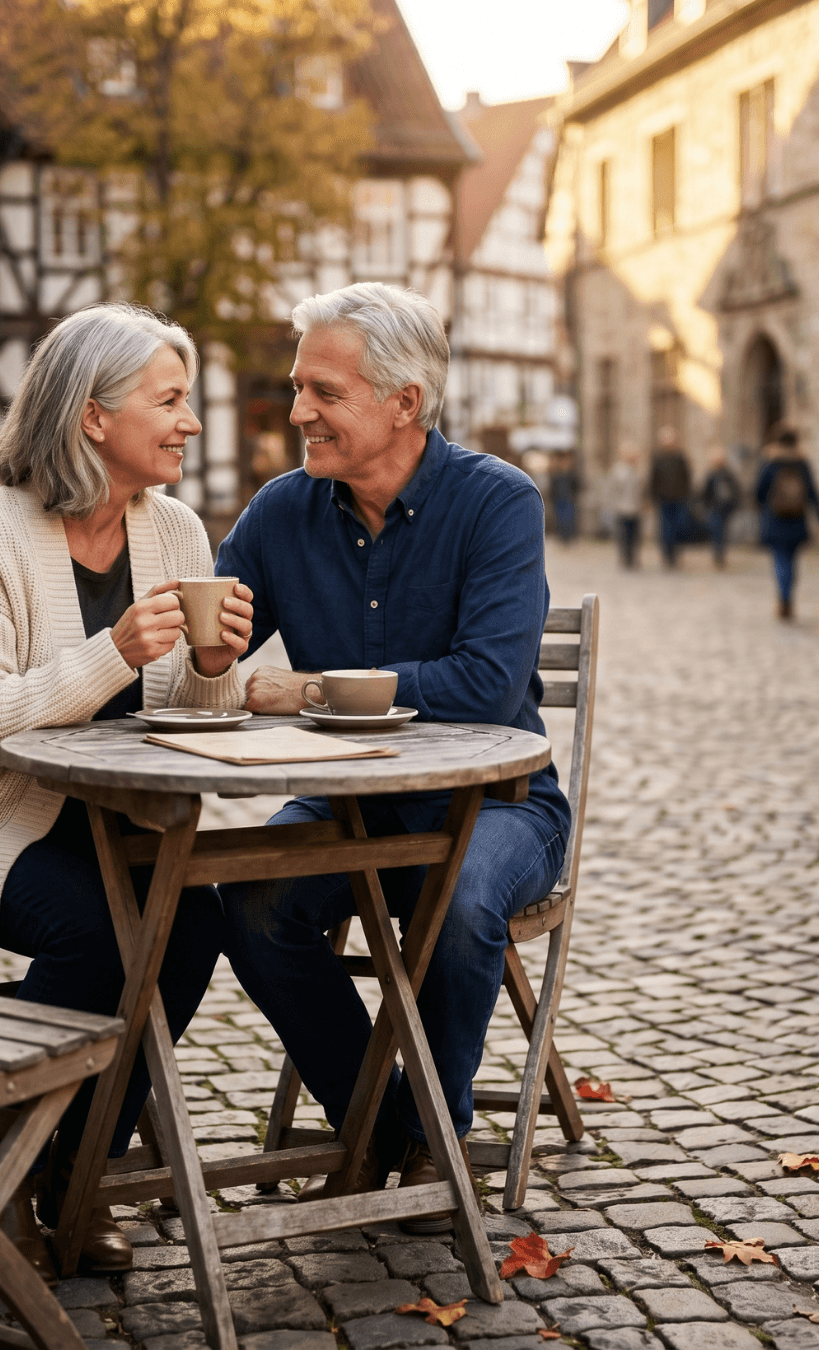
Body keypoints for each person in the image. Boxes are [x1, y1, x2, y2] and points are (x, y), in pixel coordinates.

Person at [0, 304, 254, 1279]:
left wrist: (214, 665)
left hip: (106, 827)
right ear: (92, 417)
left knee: (194, 923)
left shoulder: (173, 531)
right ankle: (13, 1167)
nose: (191, 423)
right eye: (169, 401)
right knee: (104, 932)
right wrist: (111, 651)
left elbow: (195, 717)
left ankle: (70, 1174)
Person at [216, 283, 569, 1226]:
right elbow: (210, 652)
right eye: (299, 388)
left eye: (324, 392)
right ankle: (383, 1129)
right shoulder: (281, 511)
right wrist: (198, 643)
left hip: (500, 806)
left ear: (405, 402)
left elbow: (489, 686)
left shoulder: (497, 502)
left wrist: (316, 688)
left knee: (455, 905)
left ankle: (436, 1139)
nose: (298, 412)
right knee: (245, 900)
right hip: (349, 807)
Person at [755, 425, 819, 619]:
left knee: (781, 559)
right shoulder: (801, 464)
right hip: (796, 520)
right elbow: (812, 493)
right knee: (791, 560)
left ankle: (784, 597)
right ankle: (787, 594)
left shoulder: (770, 462)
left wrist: (764, 509)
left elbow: (759, 491)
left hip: (776, 519)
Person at [649, 425, 691, 568]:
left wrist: (687, 495)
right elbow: (653, 479)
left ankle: (676, 554)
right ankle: (667, 555)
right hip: (664, 498)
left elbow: (686, 478)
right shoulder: (658, 458)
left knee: (679, 527)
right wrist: (652, 496)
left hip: (679, 498)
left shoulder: (680, 458)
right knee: (666, 528)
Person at [700, 449, 741, 569]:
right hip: (715, 507)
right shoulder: (712, 475)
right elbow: (705, 492)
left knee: (721, 532)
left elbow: (736, 491)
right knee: (717, 531)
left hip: (725, 508)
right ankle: (718, 554)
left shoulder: (728, 474)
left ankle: (719, 554)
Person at [604, 444, 643, 569]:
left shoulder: (637, 469)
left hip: (636, 508)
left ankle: (633, 558)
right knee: (624, 535)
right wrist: (613, 504)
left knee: (635, 536)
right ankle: (625, 558)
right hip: (622, 508)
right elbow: (612, 489)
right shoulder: (618, 470)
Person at [549, 452, 580, 543]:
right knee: (560, 518)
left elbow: (577, 487)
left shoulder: (572, 475)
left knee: (569, 518)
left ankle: (569, 536)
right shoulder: (556, 476)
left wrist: (574, 496)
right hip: (559, 499)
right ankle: (562, 536)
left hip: (569, 499)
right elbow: (553, 488)